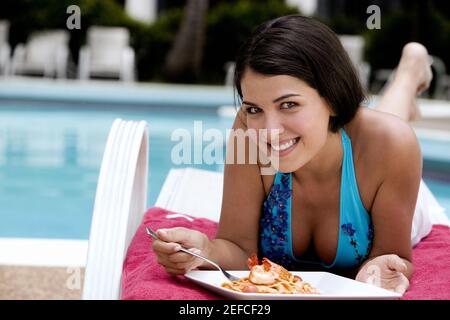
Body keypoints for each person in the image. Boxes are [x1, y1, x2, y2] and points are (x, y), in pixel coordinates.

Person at [152, 15, 435, 294]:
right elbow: (237, 247)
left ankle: (409, 72)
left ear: (333, 97)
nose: (270, 131)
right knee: (380, 123)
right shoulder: (247, 132)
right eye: (254, 109)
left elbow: (394, 257)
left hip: (389, 177)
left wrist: (381, 267)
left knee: (388, 126)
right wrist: (205, 250)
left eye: (288, 104)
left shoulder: (392, 146)